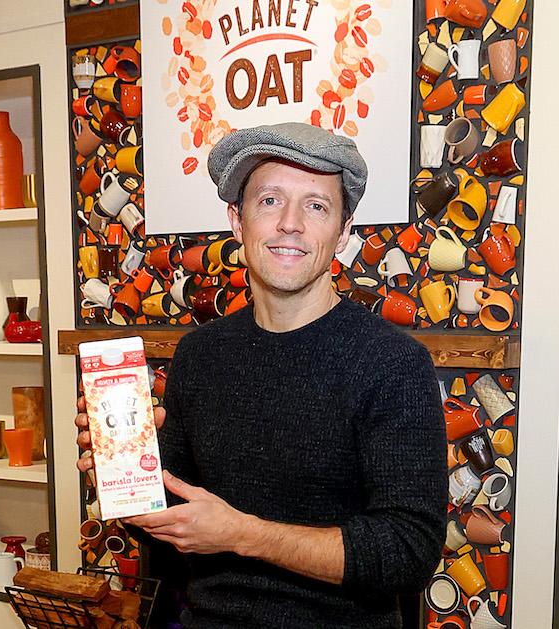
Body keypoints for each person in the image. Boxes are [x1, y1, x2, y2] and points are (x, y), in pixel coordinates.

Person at [76, 122, 446, 627]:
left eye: (316, 205)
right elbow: (173, 525)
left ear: (342, 234)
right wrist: (126, 471)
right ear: (237, 220)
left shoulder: (392, 363)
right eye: (270, 200)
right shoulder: (200, 355)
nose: (290, 223)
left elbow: (408, 551)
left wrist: (242, 533)